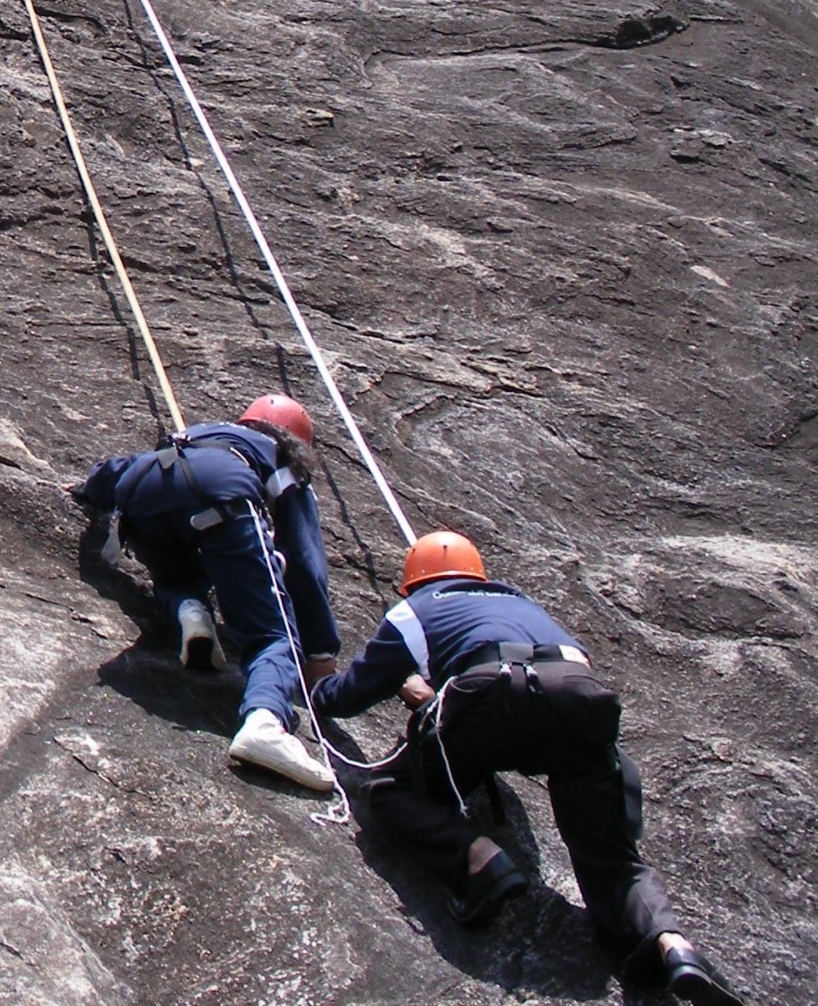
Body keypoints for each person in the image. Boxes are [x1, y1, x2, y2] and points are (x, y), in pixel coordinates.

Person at [314, 533, 743, 1001]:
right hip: (579, 692)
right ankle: (673, 945)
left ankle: (480, 860)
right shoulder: (520, 603)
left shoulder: (414, 610)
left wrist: (315, 691)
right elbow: (541, 676)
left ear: (411, 584)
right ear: (479, 575)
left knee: (388, 790)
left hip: (490, 698)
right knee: (613, 860)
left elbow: (351, 694)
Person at [73, 395, 341, 791]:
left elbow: (116, 471)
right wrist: (319, 652)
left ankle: (190, 608)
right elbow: (304, 560)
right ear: (297, 442)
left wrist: (89, 489)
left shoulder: (198, 433)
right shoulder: (284, 463)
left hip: (144, 487)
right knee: (273, 635)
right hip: (221, 492)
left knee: (176, 559)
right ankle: (265, 723)